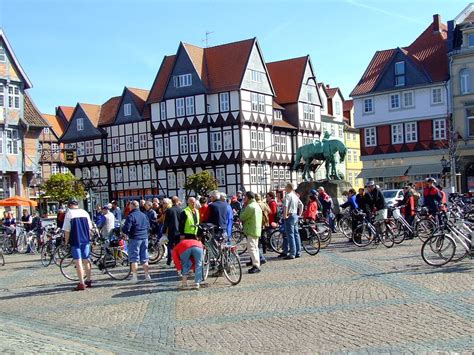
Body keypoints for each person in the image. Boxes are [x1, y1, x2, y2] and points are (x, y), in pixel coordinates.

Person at [62, 197, 93, 291]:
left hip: (75, 240)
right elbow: (90, 227)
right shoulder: (84, 212)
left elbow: (67, 230)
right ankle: (89, 280)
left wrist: (66, 242)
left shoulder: (69, 213)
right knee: (86, 260)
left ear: (69, 205)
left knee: (78, 261)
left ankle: (81, 283)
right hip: (85, 240)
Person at [122, 200, 151, 283]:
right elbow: (148, 226)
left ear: (132, 206)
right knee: (144, 258)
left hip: (135, 238)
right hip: (144, 237)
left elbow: (126, 228)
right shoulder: (144, 215)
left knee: (134, 258)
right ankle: (147, 275)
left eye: (130, 206)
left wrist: (124, 231)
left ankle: (135, 277)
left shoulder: (130, 216)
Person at [240, 191, 263, 274]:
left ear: (248, 198)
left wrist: (243, 208)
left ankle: (256, 265)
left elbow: (242, 216)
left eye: (245, 197)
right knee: (255, 248)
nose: (244, 198)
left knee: (252, 248)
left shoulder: (250, 206)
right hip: (256, 229)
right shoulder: (256, 205)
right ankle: (256, 264)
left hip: (251, 229)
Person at [282, 182, 303, 260]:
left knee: (290, 235)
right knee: (296, 234)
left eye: (285, 187)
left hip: (290, 216)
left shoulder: (287, 196)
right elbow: (301, 205)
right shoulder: (295, 196)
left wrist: (285, 216)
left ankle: (292, 253)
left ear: (288, 188)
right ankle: (298, 252)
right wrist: (299, 215)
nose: (285, 188)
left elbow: (285, 206)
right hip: (295, 215)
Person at [163, 196, 183, 265]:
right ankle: (178, 261)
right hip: (179, 231)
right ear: (178, 201)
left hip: (171, 231)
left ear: (172, 201)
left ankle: (169, 260)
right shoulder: (181, 210)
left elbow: (166, 222)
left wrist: (164, 231)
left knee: (170, 246)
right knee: (178, 247)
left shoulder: (169, 210)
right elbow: (182, 221)